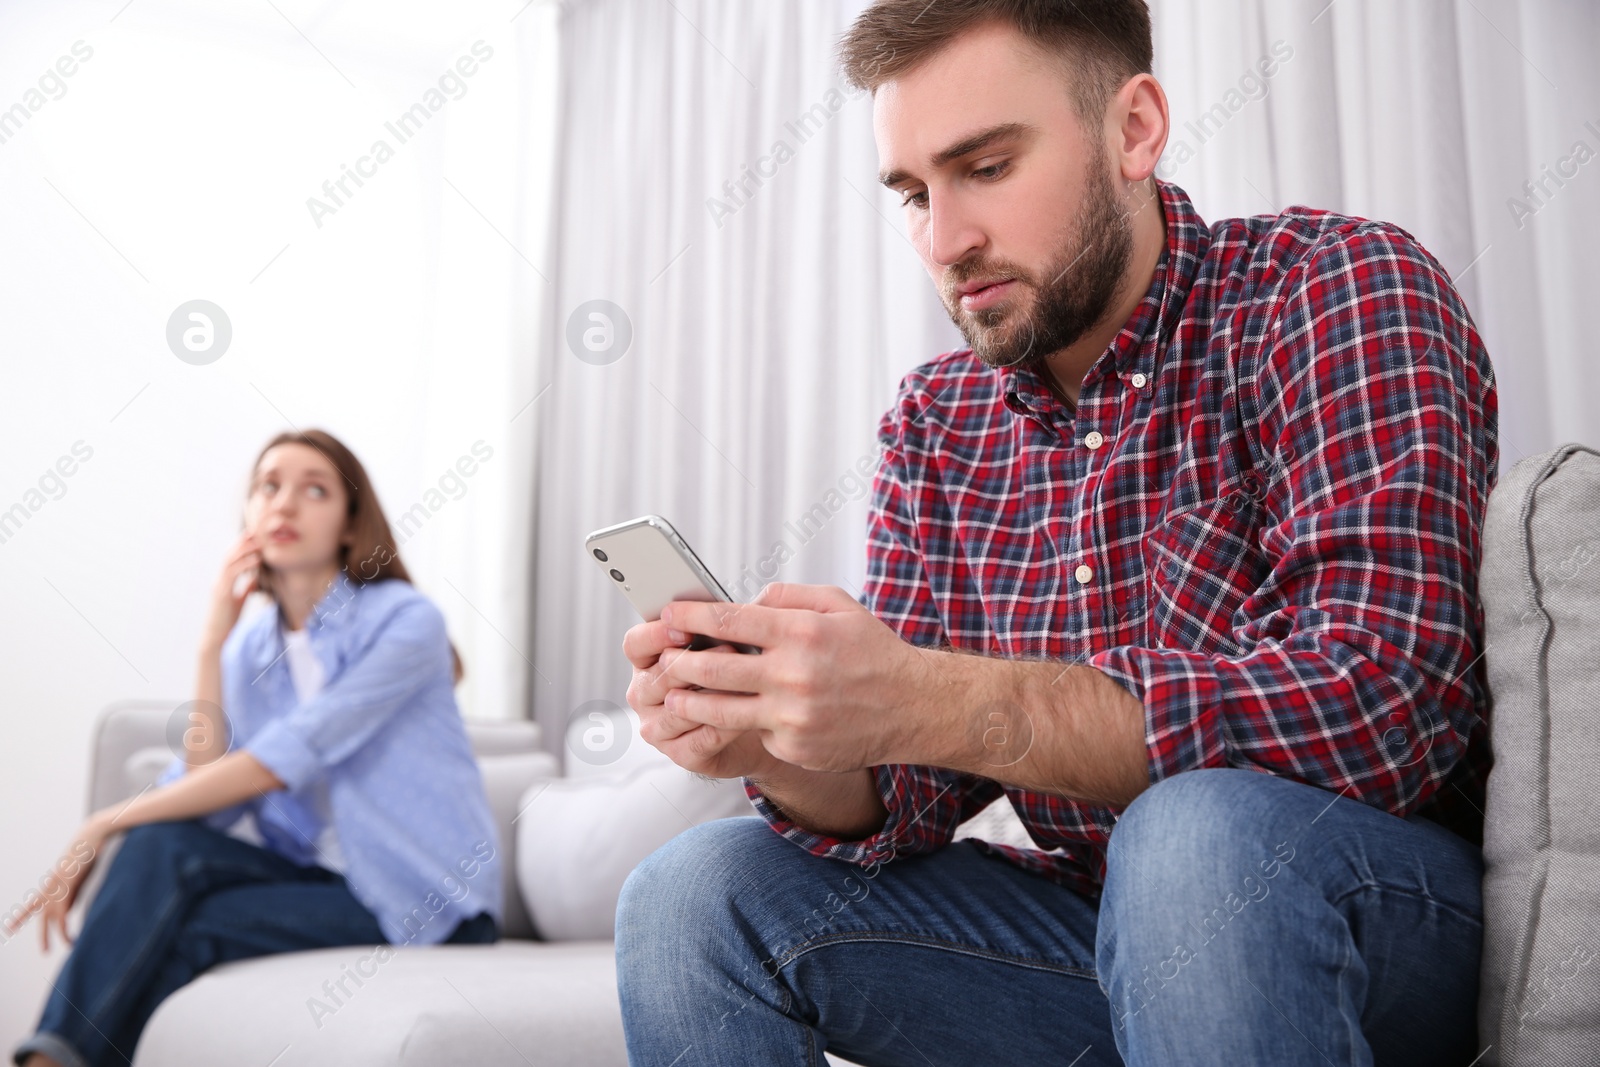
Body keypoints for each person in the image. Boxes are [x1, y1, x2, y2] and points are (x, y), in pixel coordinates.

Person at [614, 1, 1498, 1064]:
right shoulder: (939, 419)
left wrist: (929, 695)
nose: (944, 240)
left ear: (1134, 129)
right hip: (1102, 929)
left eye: (985, 167)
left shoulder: (1330, 288)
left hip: (1365, 913)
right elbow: (910, 797)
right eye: (912, 193)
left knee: (1194, 836)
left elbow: (1383, 707)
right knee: (692, 890)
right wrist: (794, 745)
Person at [7, 430, 502, 1067]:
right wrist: (211, 644)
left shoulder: (407, 622)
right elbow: (200, 791)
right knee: (161, 847)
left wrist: (102, 823)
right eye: (268, 486)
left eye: (314, 489)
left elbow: (280, 759)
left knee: (177, 929)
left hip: (421, 900)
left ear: (352, 526)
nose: (284, 505)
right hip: (322, 882)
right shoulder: (252, 647)